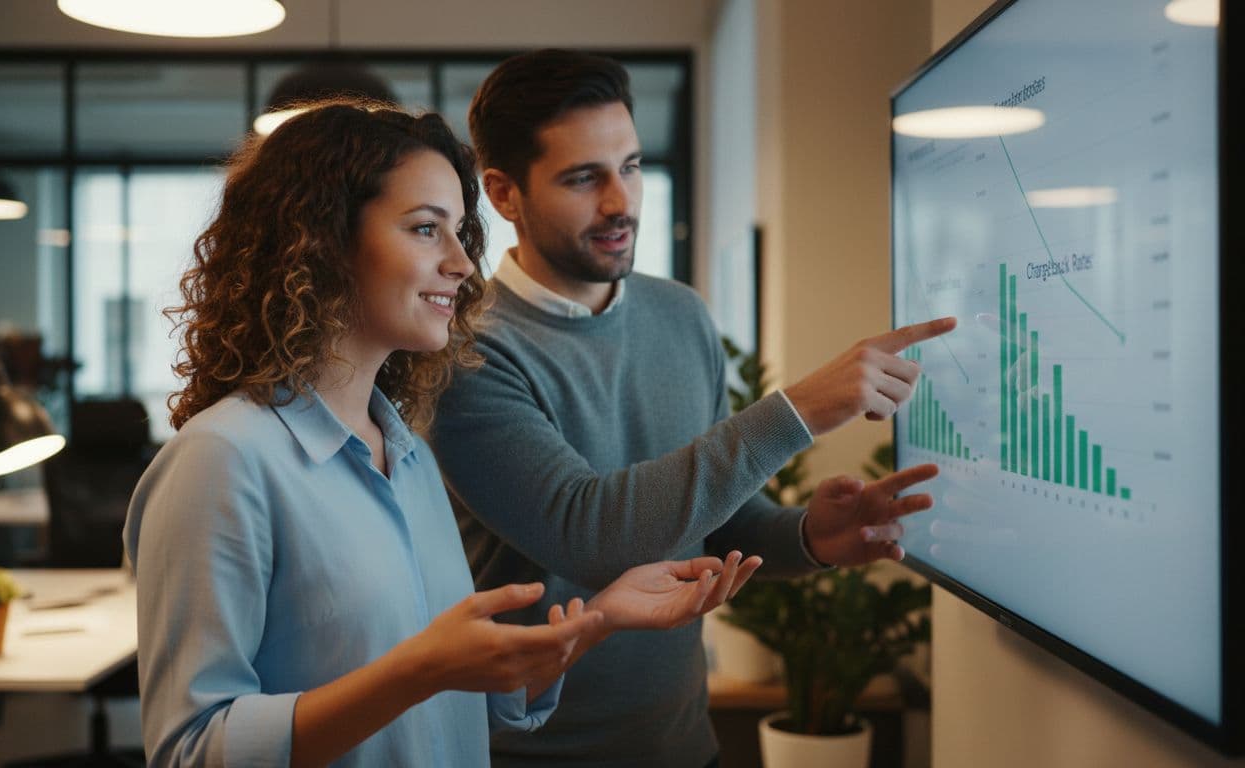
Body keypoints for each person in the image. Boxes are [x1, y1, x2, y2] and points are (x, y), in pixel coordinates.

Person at [123, 100, 762, 768]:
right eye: (427, 229)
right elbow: (191, 750)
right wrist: (420, 670)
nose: (462, 263)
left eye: (459, 232)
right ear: (320, 242)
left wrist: (600, 618)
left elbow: (455, 705)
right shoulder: (221, 461)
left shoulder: (408, 455)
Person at [428, 49, 958, 767]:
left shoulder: (680, 315)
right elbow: (594, 536)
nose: (620, 202)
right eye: (583, 178)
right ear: (503, 193)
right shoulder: (467, 355)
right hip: (532, 758)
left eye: (631, 167)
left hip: (684, 746)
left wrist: (809, 537)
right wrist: (797, 410)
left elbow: (711, 522)